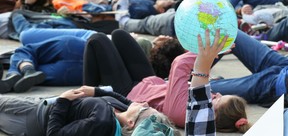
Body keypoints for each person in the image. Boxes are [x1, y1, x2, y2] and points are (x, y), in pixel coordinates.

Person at [83, 29, 251, 132]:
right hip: (150, 82)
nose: (216, 94)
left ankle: (85, 100)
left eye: (218, 99)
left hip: (128, 93)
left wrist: (212, 51)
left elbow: (179, 65)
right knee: (120, 35)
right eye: (220, 95)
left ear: (212, 115)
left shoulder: (184, 114)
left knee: (97, 40)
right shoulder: (206, 103)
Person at [0, 85, 180, 135]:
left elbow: (54, 134)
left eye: (145, 109)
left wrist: (63, 101)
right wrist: (96, 91)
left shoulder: (100, 123)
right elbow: (121, 99)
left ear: (131, 123)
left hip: (32, 117)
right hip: (42, 105)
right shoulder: (125, 111)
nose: (145, 104)